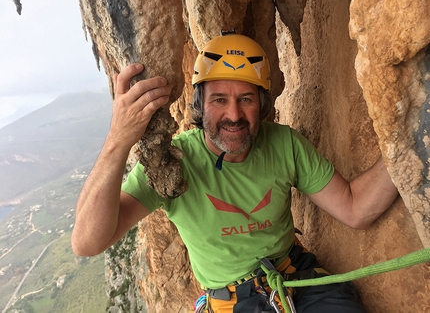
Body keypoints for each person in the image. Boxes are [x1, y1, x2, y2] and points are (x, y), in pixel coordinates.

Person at [71, 31, 399, 313]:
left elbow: (355, 208)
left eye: (245, 98)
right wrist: (118, 139)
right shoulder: (174, 162)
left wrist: (407, 145)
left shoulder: (284, 144)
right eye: (218, 100)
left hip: (295, 279)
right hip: (233, 302)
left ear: (262, 103)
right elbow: (87, 241)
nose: (233, 114)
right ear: (200, 104)